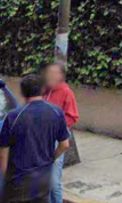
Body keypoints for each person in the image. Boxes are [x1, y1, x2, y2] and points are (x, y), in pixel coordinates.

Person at [0, 74, 70, 203]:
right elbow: (65, 145)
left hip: (19, 181)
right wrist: (51, 159)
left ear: (23, 93)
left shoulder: (13, 117)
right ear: (42, 90)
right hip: (43, 180)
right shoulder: (56, 112)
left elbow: (3, 155)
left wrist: (5, 180)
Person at [42, 64, 80, 203]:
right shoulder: (45, 90)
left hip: (57, 139)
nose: (50, 76)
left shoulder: (66, 92)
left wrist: (58, 129)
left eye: (54, 73)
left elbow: (72, 116)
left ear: (61, 76)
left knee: (54, 181)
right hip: (42, 137)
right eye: (49, 73)